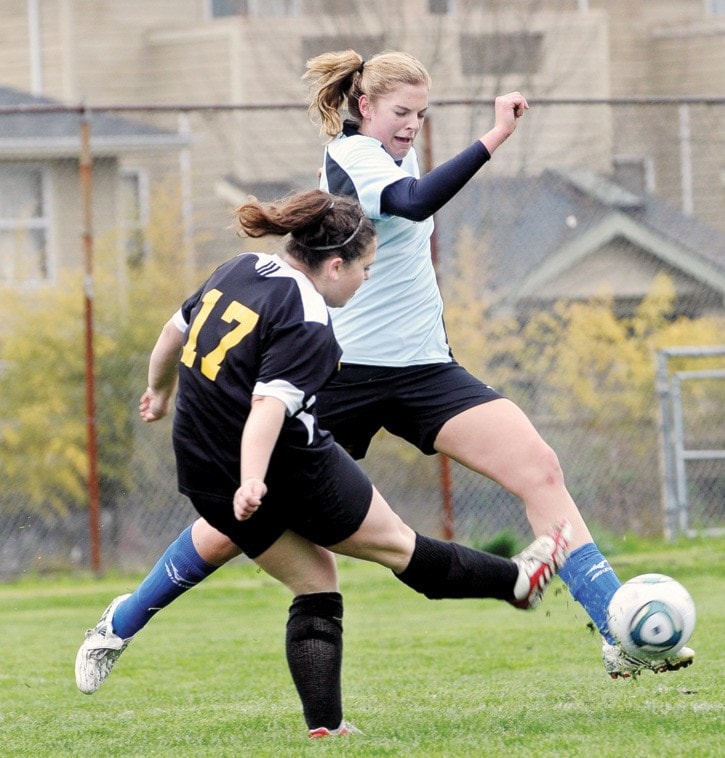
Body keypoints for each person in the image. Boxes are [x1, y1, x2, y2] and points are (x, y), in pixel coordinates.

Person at [76, 48, 694, 689]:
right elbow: (415, 201)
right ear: (364, 106)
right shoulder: (354, 159)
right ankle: (121, 620)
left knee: (540, 468)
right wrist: (496, 135)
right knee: (236, 524)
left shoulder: (395, 147)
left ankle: (618, 632)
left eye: (421, 114)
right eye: (401, 112)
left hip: (426, 370)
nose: (411, 126)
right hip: (341, 375)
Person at [75, 188, 571, 738]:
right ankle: (516, 581)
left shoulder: (239, 268)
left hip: (201, 469)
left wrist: (158, 391)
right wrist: (255, 479)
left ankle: (326, 730)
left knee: (315, 583)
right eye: (364, 268)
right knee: (397, 547)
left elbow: (173, 332)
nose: (365, 280)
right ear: (334, 265)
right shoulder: (309, 317)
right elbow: (267, 408)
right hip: (282, 467)